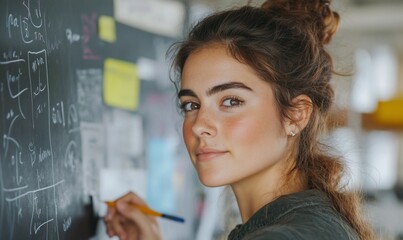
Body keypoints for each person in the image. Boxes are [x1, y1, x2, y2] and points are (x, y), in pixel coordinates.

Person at [104, 0, 375, 239]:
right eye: (191, 104)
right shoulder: (307, 222)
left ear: (296, 114)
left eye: (231, 101)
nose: (199, 125)